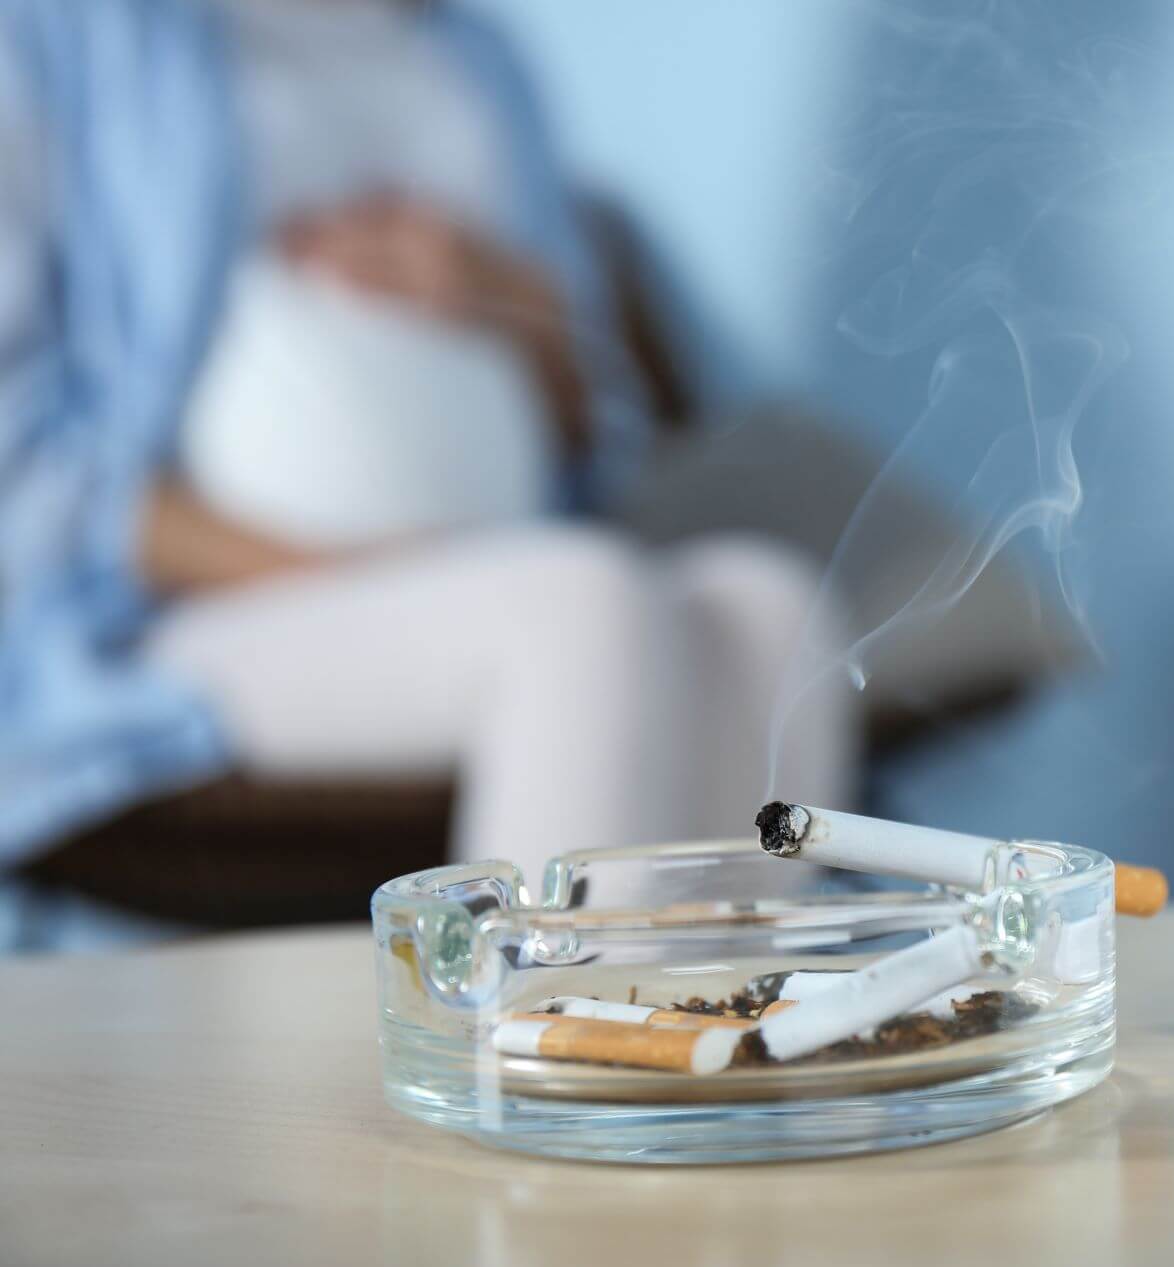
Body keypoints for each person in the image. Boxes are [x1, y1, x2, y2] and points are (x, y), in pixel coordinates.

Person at [0, 0, 855, 898]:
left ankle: (717, 1026)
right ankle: (534, 1026)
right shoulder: (67, 36)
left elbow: (596, 435)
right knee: (575, 610)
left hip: (480, 567)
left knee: (771, 608)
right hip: (147, 616)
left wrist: (503, 294)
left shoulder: (476, 57)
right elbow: (27, 481)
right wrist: (349, 570)